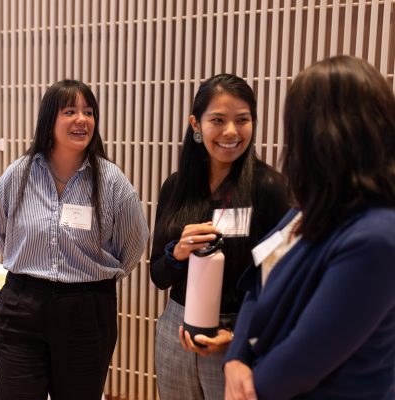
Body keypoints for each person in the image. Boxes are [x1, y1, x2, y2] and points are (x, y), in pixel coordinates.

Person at [224, 55, 395, 400]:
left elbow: (305, 358)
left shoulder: (377, 236)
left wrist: (246, 387)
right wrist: (235, 359)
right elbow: (257, 283)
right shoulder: (304, 212)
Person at [0, 79, 148, 400]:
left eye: (88, 112)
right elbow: (0, 233)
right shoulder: (18, 174)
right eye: (70, 111)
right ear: (50, 120)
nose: (82, 120)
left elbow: (133, 244)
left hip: (86, 310)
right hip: (23, 306)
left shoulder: (111, 180)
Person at [149, 74, 290, 399]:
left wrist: (242, 335)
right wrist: (178, 252)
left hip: (236, 332)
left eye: (242, 120)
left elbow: (280, 279)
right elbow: (158, 275)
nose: (231, 132)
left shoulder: (269, 189)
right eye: (218, 120)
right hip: (177, 327)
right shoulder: (177, 186)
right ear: (196, 125)